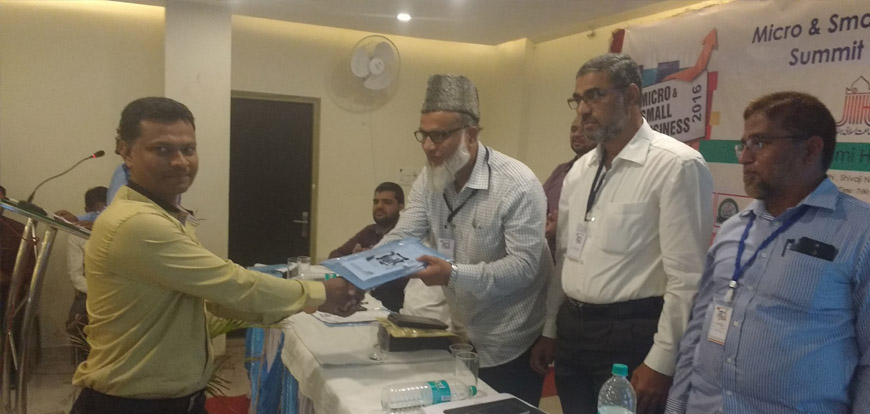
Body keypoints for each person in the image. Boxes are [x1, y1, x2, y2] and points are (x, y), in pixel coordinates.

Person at [71, 97, 363, 414]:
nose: (180, 161)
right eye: (162, 149)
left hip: (168, 401)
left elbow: (217, 299)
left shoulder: (167, 215)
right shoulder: (137, 223)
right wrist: (322, 293)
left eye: (188, 149)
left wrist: (308, 305)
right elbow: (231, 284)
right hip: (132, 405)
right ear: (126, 151)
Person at [665, 92, 870, 414]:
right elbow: (698, 328)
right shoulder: (733, 228)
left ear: (810, 149)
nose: (744, 158)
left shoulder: (859, 234)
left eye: (760, 143)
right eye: (743, 144)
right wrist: (676, 406)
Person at [531, 53, 713, 414]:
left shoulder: (676, 166)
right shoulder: (580, 171)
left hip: (631, 338)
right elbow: (566, 257)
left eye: (595, 96)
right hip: (574, 333)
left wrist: (661, 361)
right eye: (578, 99)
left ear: (631, 95)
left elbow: (687, 279)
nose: (583, 110)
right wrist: (551, 327)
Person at [378, 74, 552, 406]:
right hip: (460, 336)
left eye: (439, 135)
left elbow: (525, 267)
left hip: (510, 341)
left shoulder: (516, 184)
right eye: (424, 135)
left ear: (470, 135)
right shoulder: (430, 179)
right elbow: (403, 234)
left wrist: (453, 275)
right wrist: (358, 270)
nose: (428, 146)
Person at [329, 182, 408, 311]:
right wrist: (355, 260)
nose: (379, 206)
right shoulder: (369, 232)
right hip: (368, 303)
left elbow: (407, 278)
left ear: (401, 207)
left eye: (387, 202)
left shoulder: (407, 235)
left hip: (395, 306)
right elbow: (335, 256)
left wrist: (374, 263)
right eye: (376, 202)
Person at [542, 114, 596, 255]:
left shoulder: (604, 171)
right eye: (573, 129)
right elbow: (539, 205)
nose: (577, 134)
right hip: (554, 256)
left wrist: (562, 226)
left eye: (583, 130)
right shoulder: (561, 171)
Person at [64, 186, 108, 362]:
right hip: (89, 292)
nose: (99, 217)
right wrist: (98, 292)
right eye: (95, 212)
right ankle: (87, 362)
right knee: (76, 322)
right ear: (86, 210)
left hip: (120, 290)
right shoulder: (76, 234)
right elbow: (76, 275)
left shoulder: (120, 231)